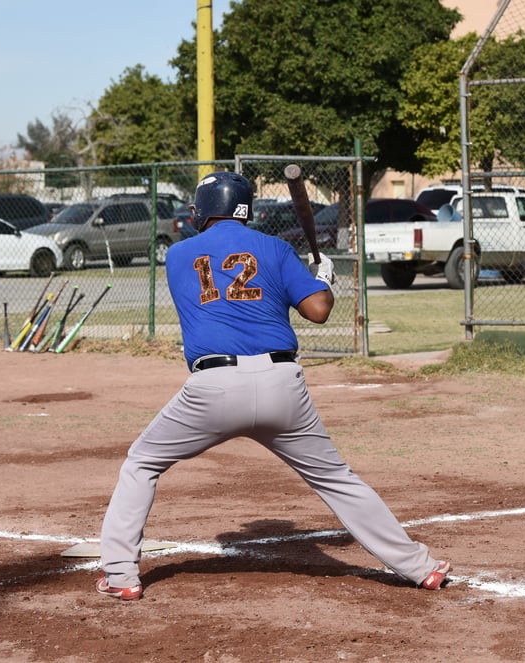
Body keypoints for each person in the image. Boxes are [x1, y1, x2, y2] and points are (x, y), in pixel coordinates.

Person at [95, 171, 450, 600]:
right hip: (284, 386)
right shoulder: (277, 248)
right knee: (338, 479)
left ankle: (120, 577)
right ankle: (420, 568)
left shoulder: (178, 254)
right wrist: (322, 279)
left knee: (142, 463)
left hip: (213, 388)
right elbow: (318, 311)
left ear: (205, 210)